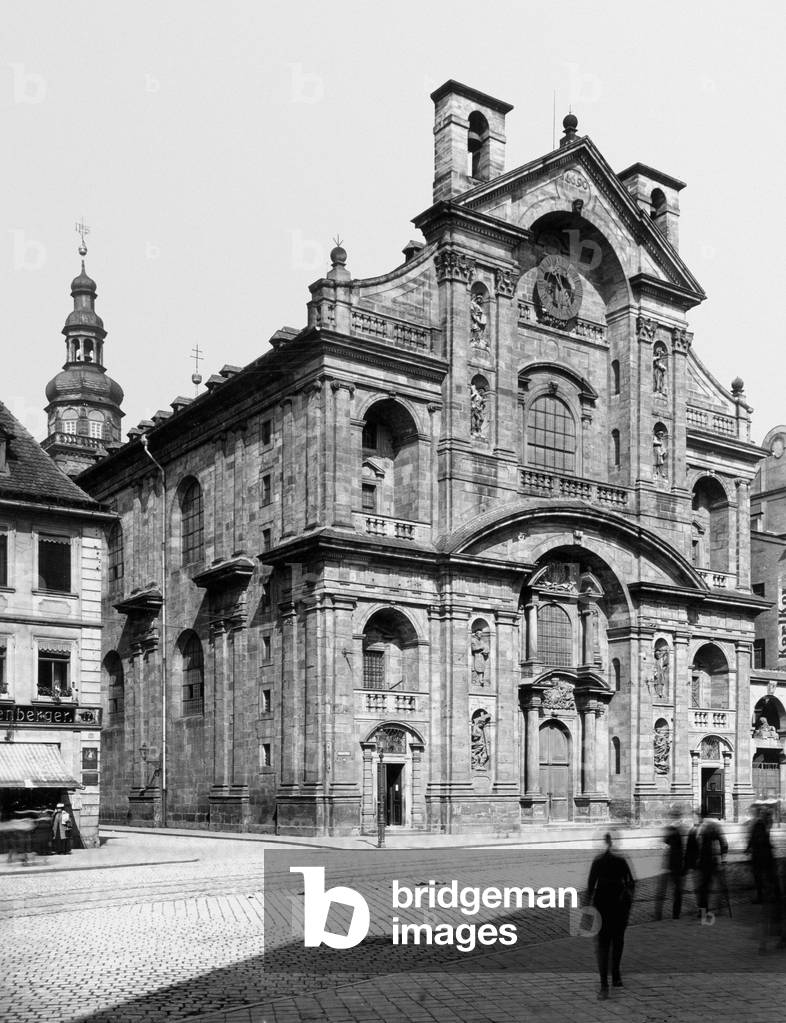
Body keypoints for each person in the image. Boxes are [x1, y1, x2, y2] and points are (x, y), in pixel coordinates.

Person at [586, 832, 635, 998]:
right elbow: (631, 883)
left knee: (603, 944)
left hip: (602, 905)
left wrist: (586, 910)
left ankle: (604, 985)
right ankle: (615, 975)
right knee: (618, 940)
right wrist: (628, 902)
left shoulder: (598, 861)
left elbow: (590, 886)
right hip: (619, 906)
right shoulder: (621, 860)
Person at [695, 811, 728, 919]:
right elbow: (724, 844)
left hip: (707, 861)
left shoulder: (705, 827)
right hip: (712, 860)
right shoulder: (713, 826)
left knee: (704, 888)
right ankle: (717, 908)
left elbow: (698, 845)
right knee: (716, 885)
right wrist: (723, 859)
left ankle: (704, 912)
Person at [655, 813, 684, 920]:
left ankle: (661, 915)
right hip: (673, 866)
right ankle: (673, 915)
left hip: (671, 866)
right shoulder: (675, 831)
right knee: (675, 892)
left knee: (667, 892)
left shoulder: (673, 831)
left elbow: (665, 842)